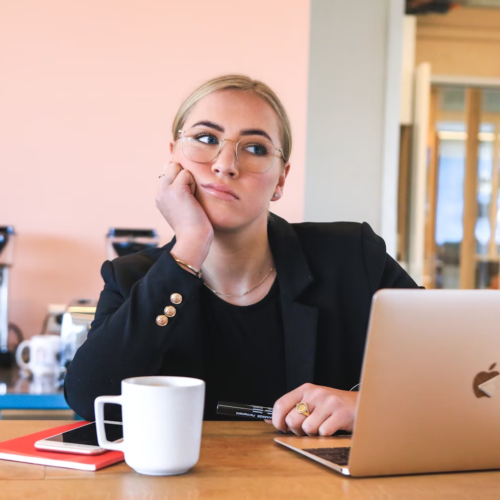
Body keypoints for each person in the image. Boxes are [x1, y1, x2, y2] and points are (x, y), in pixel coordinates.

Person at [64, 74, 419, 437]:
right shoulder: (131, 277)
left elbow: (458, 369)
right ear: (172, 157)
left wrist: (368, 406)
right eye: (206, 139)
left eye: (255, 148)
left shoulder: (352, 256)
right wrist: (189, 245)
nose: (225, 164)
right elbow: (89, 398)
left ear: (281, 179)